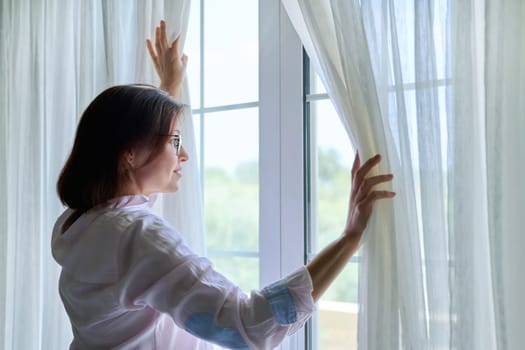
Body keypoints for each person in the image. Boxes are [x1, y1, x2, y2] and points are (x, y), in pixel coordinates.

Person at [52, 20, 395, 349]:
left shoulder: (80, 224)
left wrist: (167, 89)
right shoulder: (135, 237)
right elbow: (246, 327)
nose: (183, 154)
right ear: (129, 153)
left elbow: (130, 200)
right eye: (174, 141)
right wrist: (350, 238)